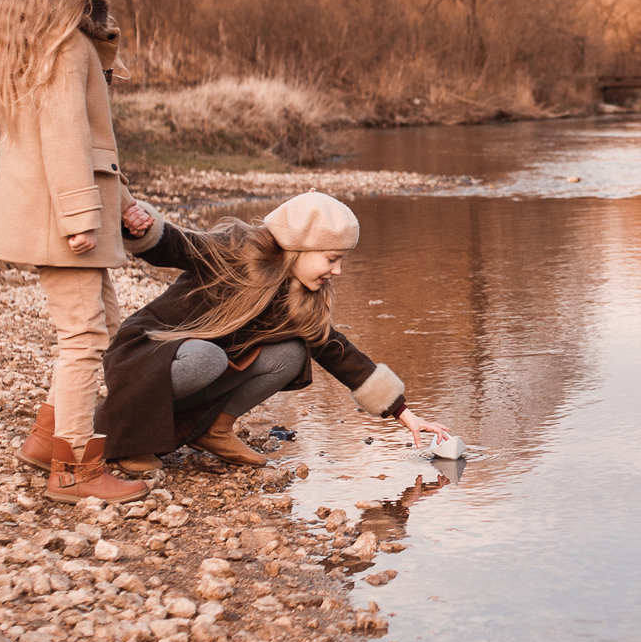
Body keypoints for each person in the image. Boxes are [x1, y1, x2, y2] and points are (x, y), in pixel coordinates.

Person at [0, 0, 164, 504]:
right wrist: (84, 217)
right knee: (83, 337)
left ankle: (45, 439)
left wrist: (123, 202)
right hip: (63, 218)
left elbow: (90, 145)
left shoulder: (63, 39)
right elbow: (61, 140)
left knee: (101, 324)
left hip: (67, 209)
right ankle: (76, 470)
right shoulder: (64, 47)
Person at [97, 191, 454, 472]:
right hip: (148, 354)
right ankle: (126, 433)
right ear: (300, 248)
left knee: (292, 355)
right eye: (332, 258)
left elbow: (339, 353)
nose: (339, 271)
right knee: (207, 357)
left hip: (200, 364)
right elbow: (180, 246)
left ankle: (212, 430)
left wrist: (404, 414)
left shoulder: (301, 297)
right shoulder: (236, 252)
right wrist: (145, 230)